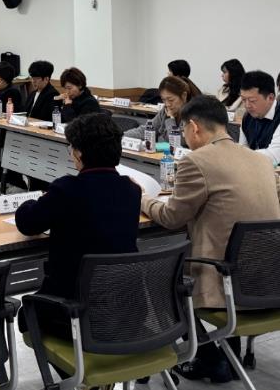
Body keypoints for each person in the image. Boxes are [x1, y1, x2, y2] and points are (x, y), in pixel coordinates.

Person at [140, 95, 280, 382]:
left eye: (183, 130)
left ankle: (209, 358)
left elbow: (171, 218)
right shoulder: (261, 160)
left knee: (161, 279)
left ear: (193, 127)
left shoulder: (196, 161)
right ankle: (227, 355)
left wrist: (141, 198)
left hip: (225, 284)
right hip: (268, 281)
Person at [16, 113, 140, 338]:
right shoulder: (131, 190)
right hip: (122, 312)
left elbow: (27, 223)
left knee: (26, 316)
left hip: (72, 314)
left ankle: (72, 363)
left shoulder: (66, 189)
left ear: (79, 153)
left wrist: (36, 201)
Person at [124, 76, 200, 144]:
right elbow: (147, 129)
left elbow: (178, 141)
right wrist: (121, 135)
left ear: (184, 96)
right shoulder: (165, 111)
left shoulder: (193, 113)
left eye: (171, 100)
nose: (167, 104)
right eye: (163, 100)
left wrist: (171, 119)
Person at [238, 70, 280, 164]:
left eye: (252, 100)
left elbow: (274, 156)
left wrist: (242, 154)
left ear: (270, 98)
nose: (247, 105)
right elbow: (242, 147)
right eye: (243, 100)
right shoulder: (247, 117)